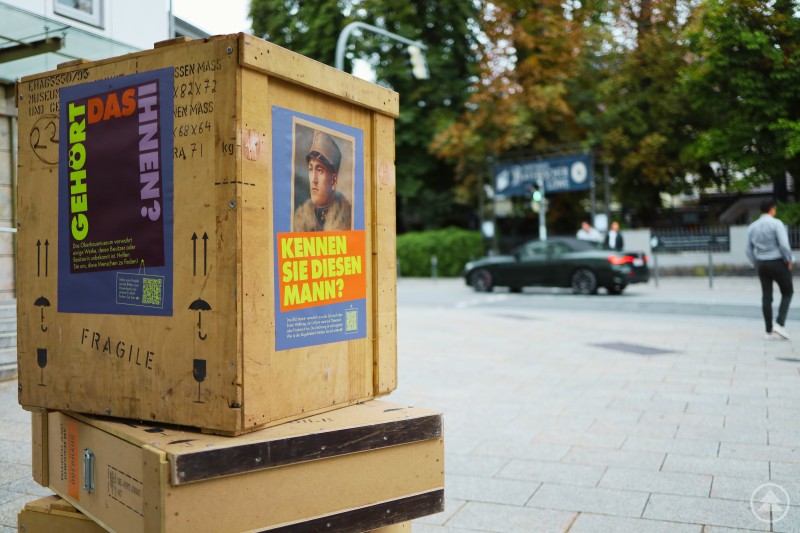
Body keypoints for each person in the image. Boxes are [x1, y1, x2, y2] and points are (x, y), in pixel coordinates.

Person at [746, 199, 794, 339]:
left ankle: (768, 330)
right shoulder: (776, 223)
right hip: (777, 262)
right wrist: (789, 259)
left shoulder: (752, 227)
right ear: (772, 208)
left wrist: (756, 262)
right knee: (788, 292)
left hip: (761, 263)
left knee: (767, 296)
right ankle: (779, 323)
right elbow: (784, 245)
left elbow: (748, 250)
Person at [293, 130, 352, 232]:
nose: (314, 179)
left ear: (333, 181)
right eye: (311, 169)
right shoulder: (300, 220)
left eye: (320, 170)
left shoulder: (349, 220)